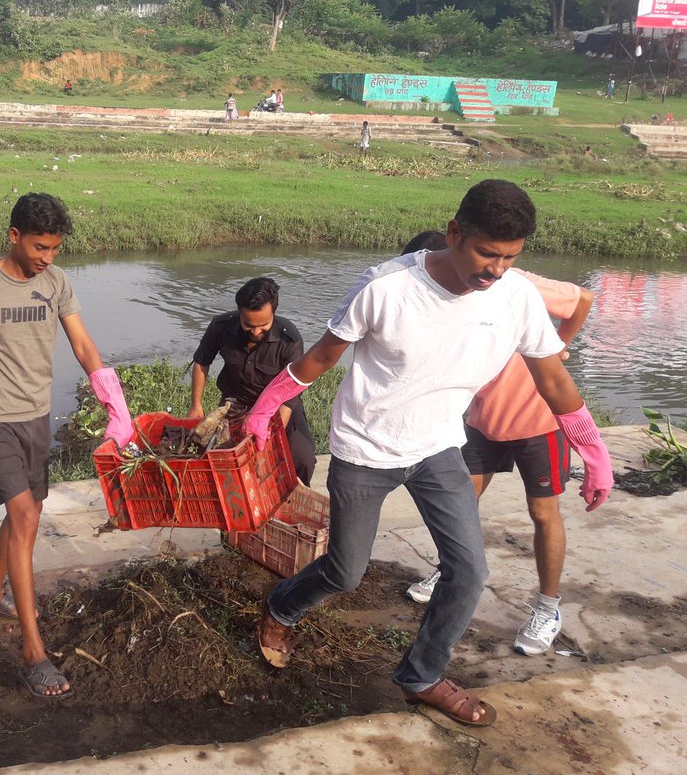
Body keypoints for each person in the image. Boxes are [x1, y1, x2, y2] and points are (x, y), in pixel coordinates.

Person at [243, 180, 614, 728]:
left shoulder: (515, 298)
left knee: (469, 572)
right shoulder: (386, 287)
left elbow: (553, 380)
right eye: (487, 253)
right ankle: (281, 608)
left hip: (440, 445)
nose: (495, 270)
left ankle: (421, 675)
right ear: (455, 232)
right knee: (347, 572)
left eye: (510, 258)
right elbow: (323, 356)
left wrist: (593, 448)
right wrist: (266, 405)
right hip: (365, 448)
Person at [0, 193, 134, 700]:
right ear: (14, 235)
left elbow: (82, 344)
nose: (47, 257)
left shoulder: (57, 283)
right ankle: (32, 652)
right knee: (24, 518)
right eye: (40, 246)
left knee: (27, 515)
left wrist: (116, 404)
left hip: (36, 420)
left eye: (55, 248)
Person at [400, 236, 596, 657]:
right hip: (481, 420)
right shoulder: (439, 298)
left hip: (537, 420)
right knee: (459, 502)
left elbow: (582, 298)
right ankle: (450, 570)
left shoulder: (516, 284)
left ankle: (548, 608)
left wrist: (560, 344)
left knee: (543, 513)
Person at [190, 277, 317, 484]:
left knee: (302, 459)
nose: (256, 332)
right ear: (239, 313)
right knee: (221, 458)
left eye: (264, 326)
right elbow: (201, 362)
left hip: (279, 407)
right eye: (249, 325)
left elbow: (291, 393)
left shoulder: (290, 339)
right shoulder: (220, 326)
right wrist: (196, 405)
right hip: (235, 403)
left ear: (274, 313)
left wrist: (273, 432)